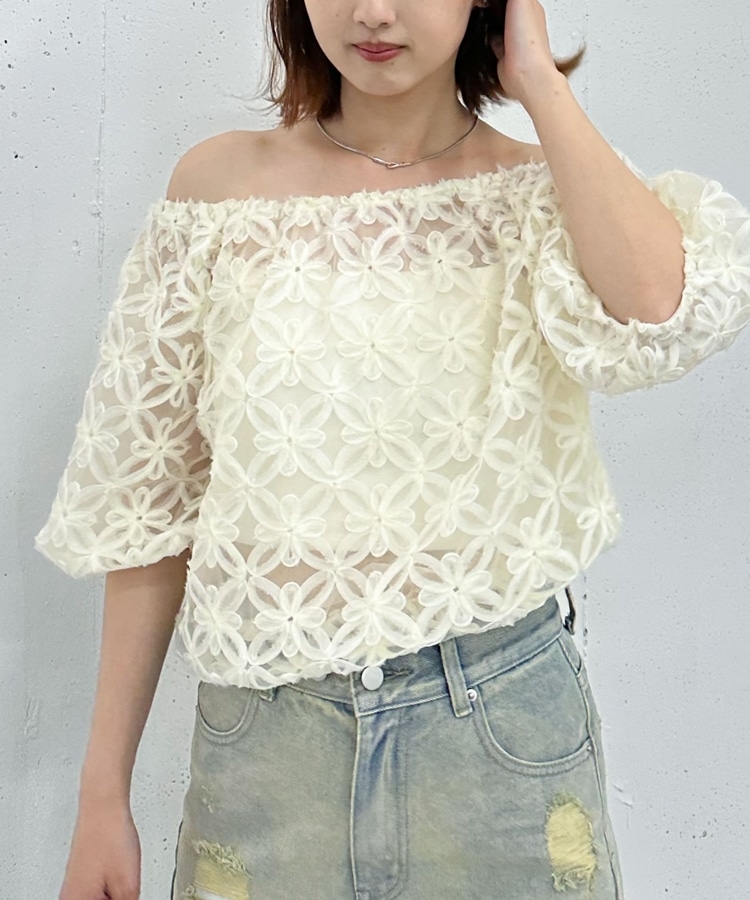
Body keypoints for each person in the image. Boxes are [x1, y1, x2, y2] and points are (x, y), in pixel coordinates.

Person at [35, 0, 750, 898]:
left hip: (496, 732)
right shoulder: (217, 191)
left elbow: (662, 312)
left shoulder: (536, 191)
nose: (373, 12)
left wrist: (537, 81)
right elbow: (151, 506)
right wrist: (103, 794)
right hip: (268, 744)